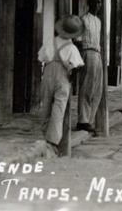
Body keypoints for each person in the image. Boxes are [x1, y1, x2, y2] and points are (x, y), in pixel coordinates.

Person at [38, 15, 85, 154]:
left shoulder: (49, 42)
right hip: (63, 76)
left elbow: (41, 58)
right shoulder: (72, 48)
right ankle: (52, 142)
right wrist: (71, 80)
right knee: (59, 108)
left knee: (45, 104)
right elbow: (77, 66)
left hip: (47, 73)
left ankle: (43, 135)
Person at [77, 0, 103, 135]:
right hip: (88, 52)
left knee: (97, 88)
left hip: (97, 53)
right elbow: (77, 39)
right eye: (95, 2)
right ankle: (82, 120)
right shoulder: (83, 19)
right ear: (89, 3)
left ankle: (89, 119)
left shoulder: (98, 21)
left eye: (99, 2)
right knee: (87, 86)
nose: (98, 5)